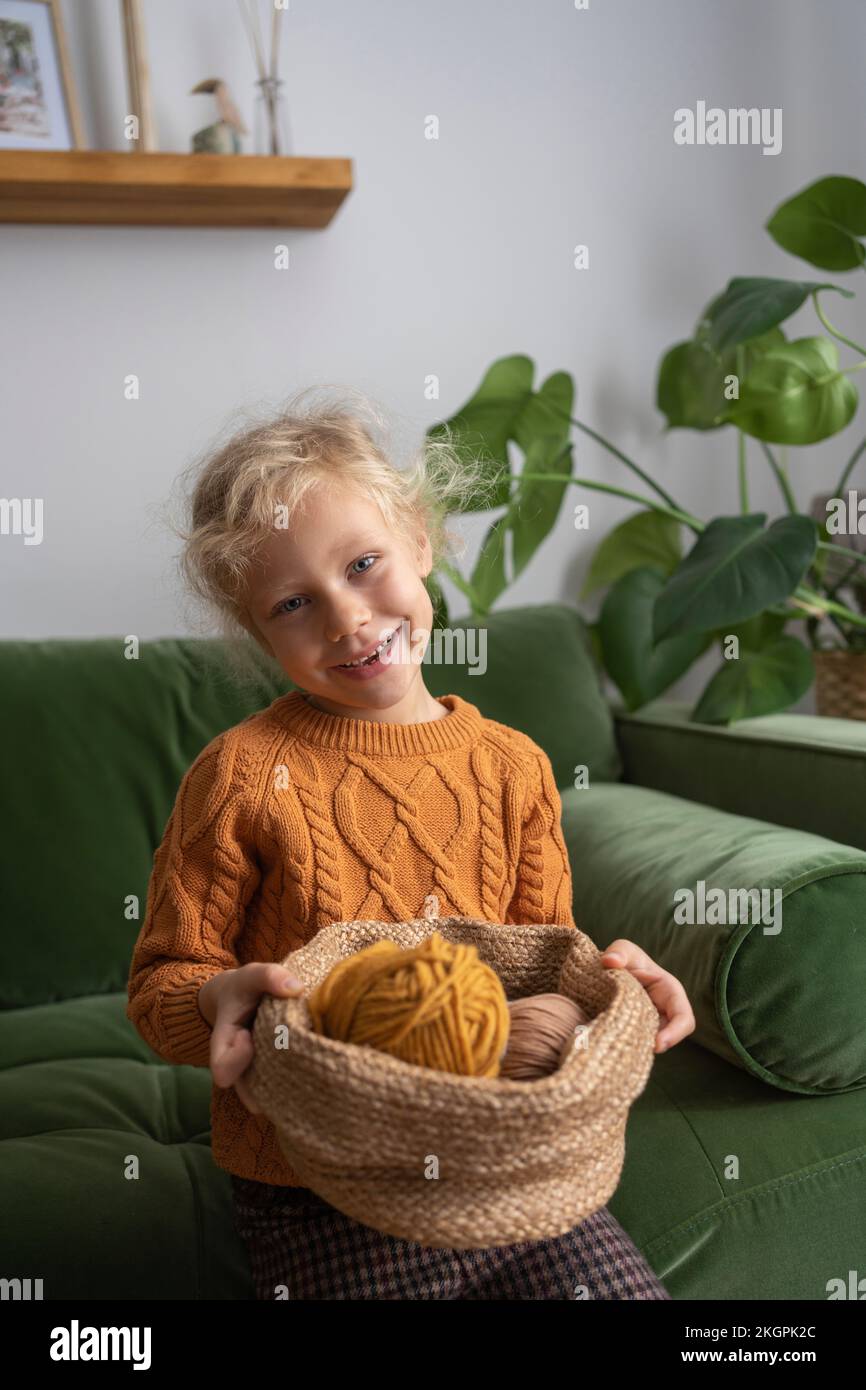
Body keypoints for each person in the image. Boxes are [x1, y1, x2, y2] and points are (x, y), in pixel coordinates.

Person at [126, 386, 695, 1300]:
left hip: (504, 1165)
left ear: (421, 541)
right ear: (253, 630)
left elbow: (538, 968)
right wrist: (218, 1001)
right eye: (291, 604)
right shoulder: (238, 774)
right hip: (310, 1181)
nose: (347, 618)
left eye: (362, 563)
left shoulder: (514, 767)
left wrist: (613, 995)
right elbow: (160, 986)